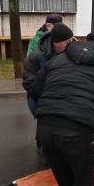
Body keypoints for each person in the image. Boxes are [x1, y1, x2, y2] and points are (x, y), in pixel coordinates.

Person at [29, 29, 94, 186]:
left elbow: (36, 89)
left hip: (45, 128)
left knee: (64, 176)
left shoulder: (57, 60)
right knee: (83, 181)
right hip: (77, 132)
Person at [23, 22, 74, 151]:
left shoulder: (69, 52)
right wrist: (46, 97)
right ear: (56, 43)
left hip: (60, 96)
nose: (71, 45)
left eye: (71, 41)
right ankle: (44, 145)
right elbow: (29, 82)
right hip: (38, 96)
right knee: (47, 120)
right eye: (67, 42)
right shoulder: (37, 56)